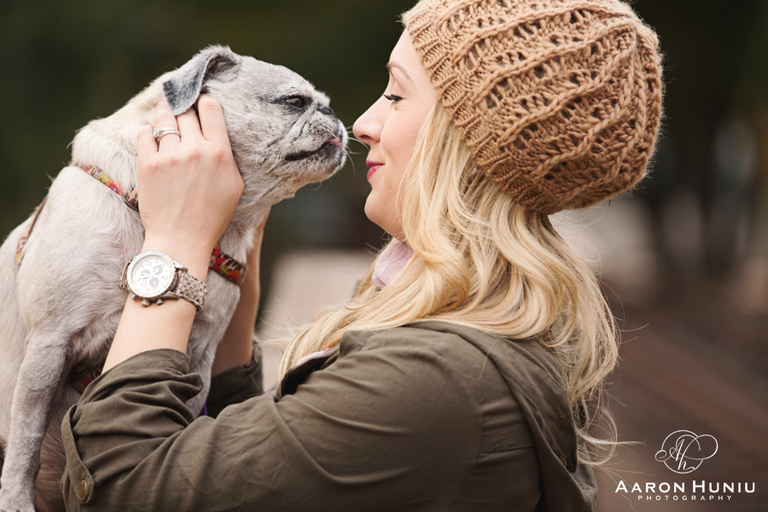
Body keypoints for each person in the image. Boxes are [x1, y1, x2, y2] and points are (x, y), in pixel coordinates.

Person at [60, 0, 663, 510]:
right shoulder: (468, 319)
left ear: (465, 142)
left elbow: (122, 483)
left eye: (396, 95)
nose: (365, 123)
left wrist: (174, 247)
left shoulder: (435, 379)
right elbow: (261, 472)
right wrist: (231, 260)